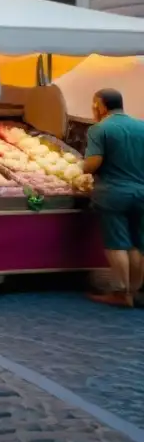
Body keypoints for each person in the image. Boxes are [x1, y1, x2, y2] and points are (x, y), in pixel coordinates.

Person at [82, 88, 144, 308]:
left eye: (93, 105)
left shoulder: (100, 129)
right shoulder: (141, 126)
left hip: (113, 194)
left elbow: (93, 163)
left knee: (117, 243)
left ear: (101, 105)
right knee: (137, 244)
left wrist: (81, 167)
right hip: (141, 192)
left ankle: (120, 292)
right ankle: (135, 291)